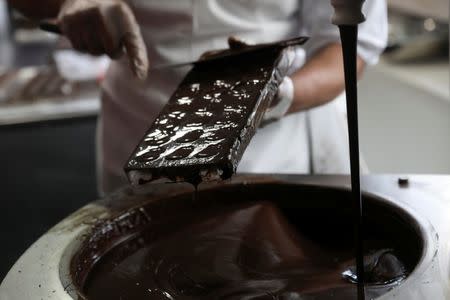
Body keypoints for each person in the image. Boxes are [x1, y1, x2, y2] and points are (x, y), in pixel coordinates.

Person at [8, 0, 388, 195]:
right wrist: (70, 3)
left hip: (277, 144)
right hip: (138, 126)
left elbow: (349, 47)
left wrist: (277, 94)